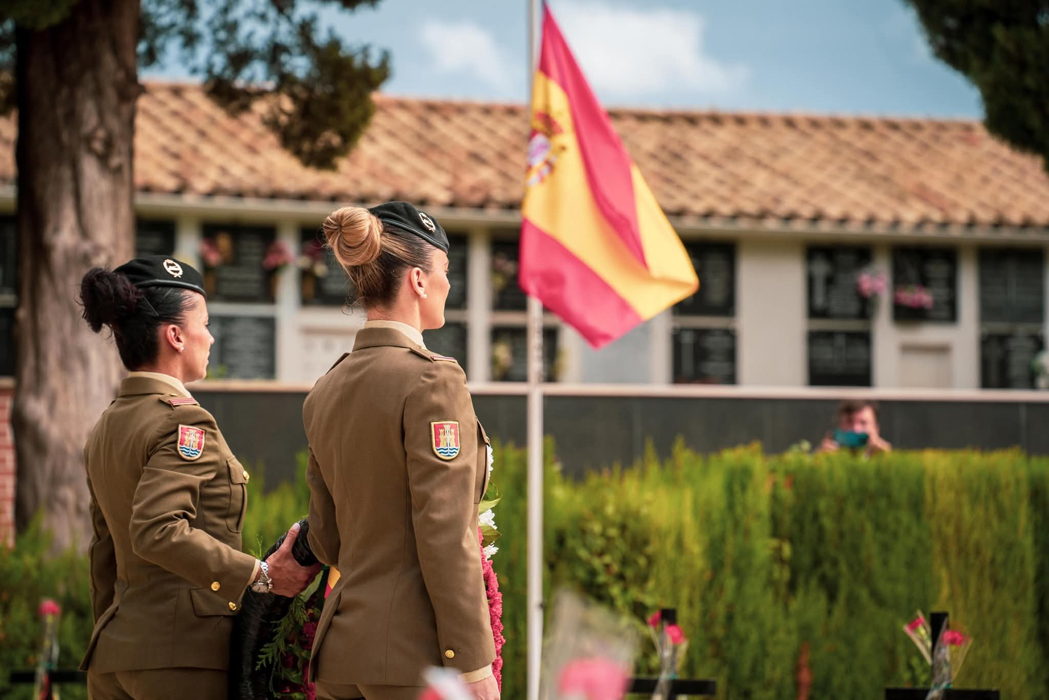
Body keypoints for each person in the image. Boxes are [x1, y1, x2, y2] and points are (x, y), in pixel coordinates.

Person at [78, 256, 319, 700]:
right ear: (175, 335)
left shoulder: (108, 424)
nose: (210, 336)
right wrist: (262, 576)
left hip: (116, 653)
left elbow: (103, 553)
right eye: (204, 323)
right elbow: (157, 530)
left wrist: (117, 638)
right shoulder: (183, 422)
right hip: (181, 660)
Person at [304, 202, 498, 700]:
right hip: (414, 657)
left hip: (340, 653)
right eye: (446, 272)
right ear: (417, 279)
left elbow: (326, 539)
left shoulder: (324, 390)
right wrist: (473, 661)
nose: (449, 286)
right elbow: (444, 532)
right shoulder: (433, 378)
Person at [816, 399, 892, 457]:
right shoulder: (827, 458)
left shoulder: (884, 459)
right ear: (838, 426)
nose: (856, 429)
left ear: (876, 428)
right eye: (849, 422)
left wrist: (887, 459)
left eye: (863, 423)